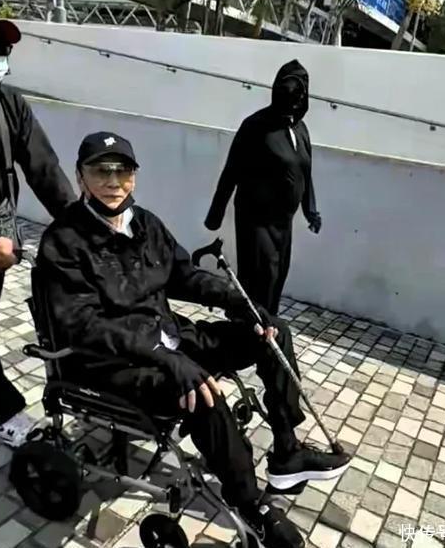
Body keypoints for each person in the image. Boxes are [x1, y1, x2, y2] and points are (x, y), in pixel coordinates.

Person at [37, 132, 350, 548]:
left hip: (171, 338)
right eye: (100, 171)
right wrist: (164, 357)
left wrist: (242, 304)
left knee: (269, 333)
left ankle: (287, 450)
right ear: (80, 176)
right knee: (204, 391)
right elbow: (82, 326)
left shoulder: (145, 224)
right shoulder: (63, 241)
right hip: (113, 363)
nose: (113, 181)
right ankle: (250, 506)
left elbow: (184, 274)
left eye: (123, 171)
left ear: (134, 176)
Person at [0, 1, 76, 443]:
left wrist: (79, 221)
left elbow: (42, 165)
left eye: (1, 45)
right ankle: (12, 419)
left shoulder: (9, 101)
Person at [204, 59, 321, 316]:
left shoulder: (301, 130)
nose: (293, 98)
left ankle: (266, 324)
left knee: (278, 275)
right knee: (260, 275)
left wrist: (310, 211)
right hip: (255, 218)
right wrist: (215, 215)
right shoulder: (256, 126)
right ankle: (246, 326)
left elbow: (305, 172)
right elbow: (231, 171)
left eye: (298, 94)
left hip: (284, 222)